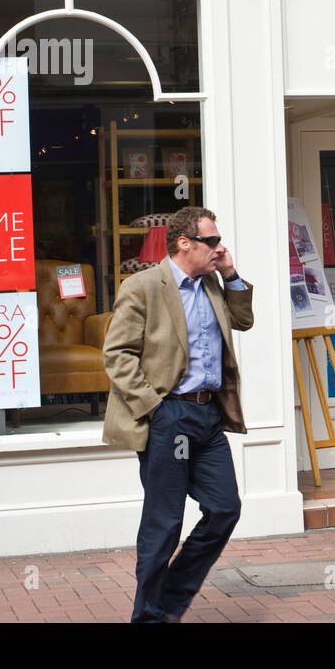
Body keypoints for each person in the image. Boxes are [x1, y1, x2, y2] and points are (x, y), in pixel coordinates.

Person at [102, 206, 254, 622]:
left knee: (225, 509)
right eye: (211, 241)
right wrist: (153, 407)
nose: (219, 247)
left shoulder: (212, 285)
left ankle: (168, 601)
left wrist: (230, 272)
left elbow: (244, 320)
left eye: (218, 240)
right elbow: (117, 355)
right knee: (164, 523)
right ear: (184, 243)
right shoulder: (144, 287)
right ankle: (149, 616)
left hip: (207, 419)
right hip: (169, 417)